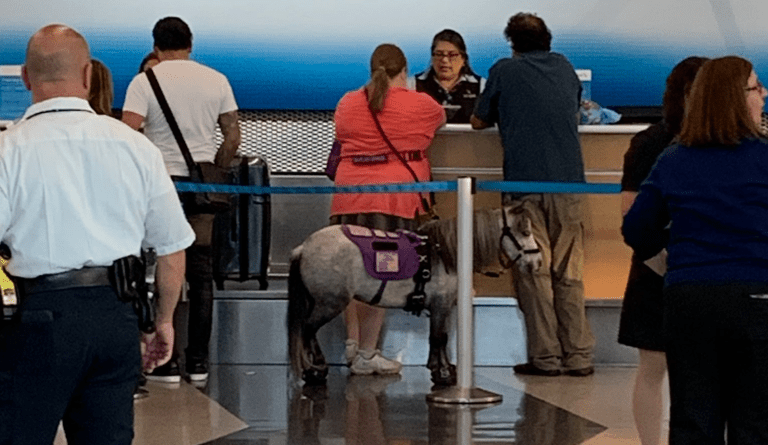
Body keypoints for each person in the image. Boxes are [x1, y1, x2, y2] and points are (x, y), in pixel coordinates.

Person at [0, 24, 193, 444]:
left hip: (38, 319)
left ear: (26, 78)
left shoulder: (8, 150)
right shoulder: (135, 146)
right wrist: (161, 321)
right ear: (88, 75)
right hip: (116, 317)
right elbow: (172, 248)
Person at [623, 56, 768, 444]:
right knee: (755, 420)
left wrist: (669, 262)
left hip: (689, 298)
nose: (763, 95)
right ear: (735, 99)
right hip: (757, 297)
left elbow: (636, 226)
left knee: (692, 418)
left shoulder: (675, 158)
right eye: (756, 87)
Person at [470, 12, 595, 377]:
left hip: (522, 188)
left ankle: (545, 358)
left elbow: (478, 121)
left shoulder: (504, 71)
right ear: (548, 39)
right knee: (569, 274)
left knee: (533, 273)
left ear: (513, 43)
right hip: (569, 185)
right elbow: (571, 107)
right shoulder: (565, 67)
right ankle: (579, 356)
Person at [122, 16, 241, 383]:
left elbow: (128, 134)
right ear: (191, 44)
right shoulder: (216, 79)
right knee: (201, 271)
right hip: (203, 187)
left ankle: (163, 362)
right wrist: (214, 172)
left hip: (161, 186)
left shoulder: (145, 81)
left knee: (156, 267)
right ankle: (199, 362)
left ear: (156, 46)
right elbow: (233, 136)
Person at [331, 43, 445, 375]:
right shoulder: (421, 103)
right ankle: (367, 354)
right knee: (380, 273)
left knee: (350, 273)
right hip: (392, 199)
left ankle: (353, 343)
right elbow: (441, 120)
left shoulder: (348, 102)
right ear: (405, 72)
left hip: (349, 196)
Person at [618, 56, 707, 445]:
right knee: (653, 365)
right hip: (660, 268)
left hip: (684, 267)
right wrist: (660, 259)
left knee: (686, 368)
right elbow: (631, 210)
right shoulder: (652, 142)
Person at [408, 29, 485, 123]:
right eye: (439, 54)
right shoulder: (413, 86)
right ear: (432, 57)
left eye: (452, 55)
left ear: (463, 59)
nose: (444, 60)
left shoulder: (481, 87)